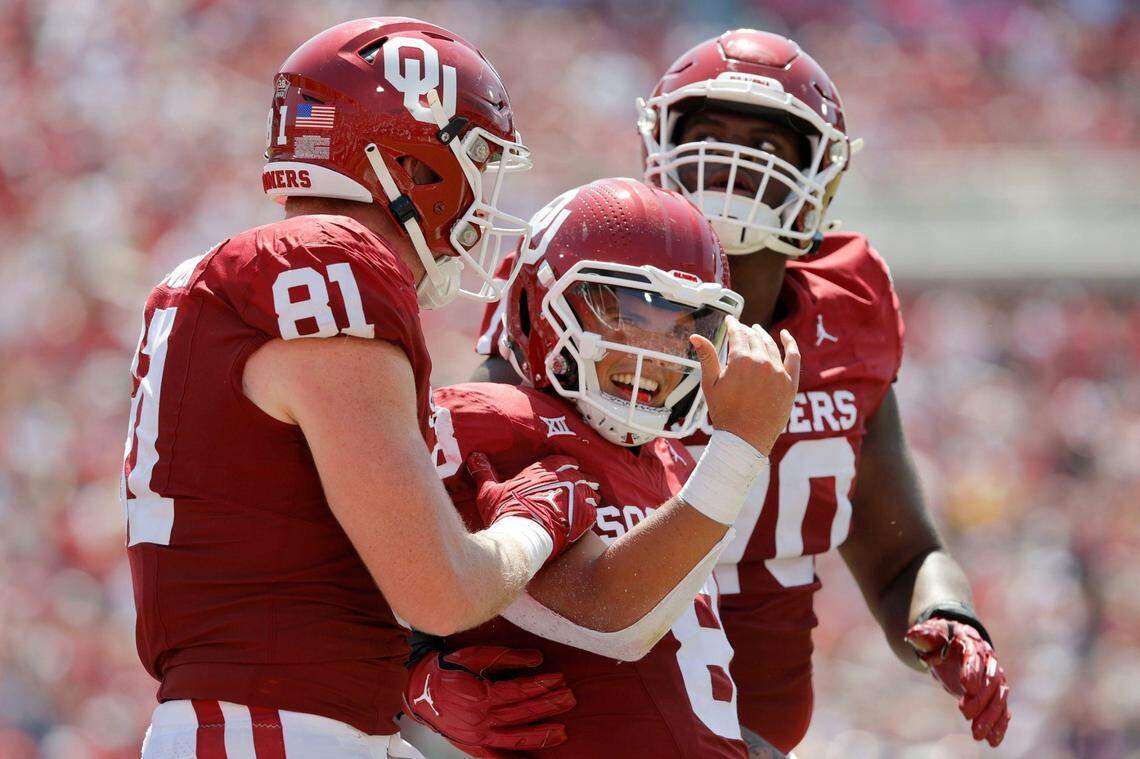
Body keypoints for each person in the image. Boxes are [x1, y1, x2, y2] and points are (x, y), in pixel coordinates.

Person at [475, 29, 1011, 755]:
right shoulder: (580, 274)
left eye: (764, 143)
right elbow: (465, 503)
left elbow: (900, 550)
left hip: (750, 734)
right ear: (660, 144)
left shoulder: (848, 303)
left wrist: (950, 614)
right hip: (589, 720)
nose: (732, 161)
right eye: (711, 133)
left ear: (817, 176)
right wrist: (424, 662)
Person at [122, 18, 598, 758]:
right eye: (472, 156)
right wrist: (537, 518)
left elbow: (293, 556)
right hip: (275, 729)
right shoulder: (330, 259)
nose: (483, 191)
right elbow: (438, 588)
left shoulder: (219, 278)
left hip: (267, 721)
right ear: (409, 160)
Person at [400, 178, 800, 757]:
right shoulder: (492, 420)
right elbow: (611, 617)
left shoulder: (676, 465)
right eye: (623, 309)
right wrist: (412, 679)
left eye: (684, 326)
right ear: (539, 300)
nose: (655, 350)